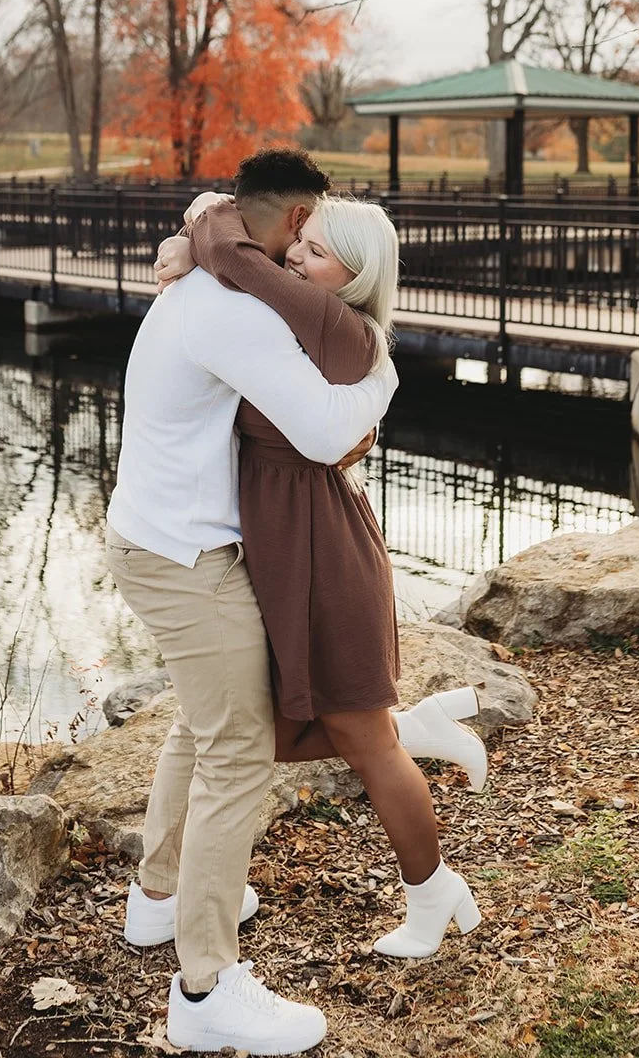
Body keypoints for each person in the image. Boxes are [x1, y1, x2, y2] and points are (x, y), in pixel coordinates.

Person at [105, 150, 399, 1056]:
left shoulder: (208, 276)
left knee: (202, 724)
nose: (306, 251)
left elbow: (208, 219)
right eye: (306, 235)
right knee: (239, 748)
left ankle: (159, 897)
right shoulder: (234, 309)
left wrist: (198, 225)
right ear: (290, 217)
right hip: (181, 552)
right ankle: (206, 990)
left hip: (159, 537)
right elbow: (324, 430)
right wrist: (384, 369)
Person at [155, 188, 485, 965]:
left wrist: (198, 222)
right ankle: (413, 732)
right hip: (284, 546)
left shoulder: (341, 329)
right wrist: (187, 239)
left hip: (324, 556)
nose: (292, 260)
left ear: (354, 276)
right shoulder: (302, 318)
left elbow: (237, 254)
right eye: (296, 247)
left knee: (356, 741)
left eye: (314, 253)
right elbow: (241, 262)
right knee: (261, 730)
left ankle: (433, 891)